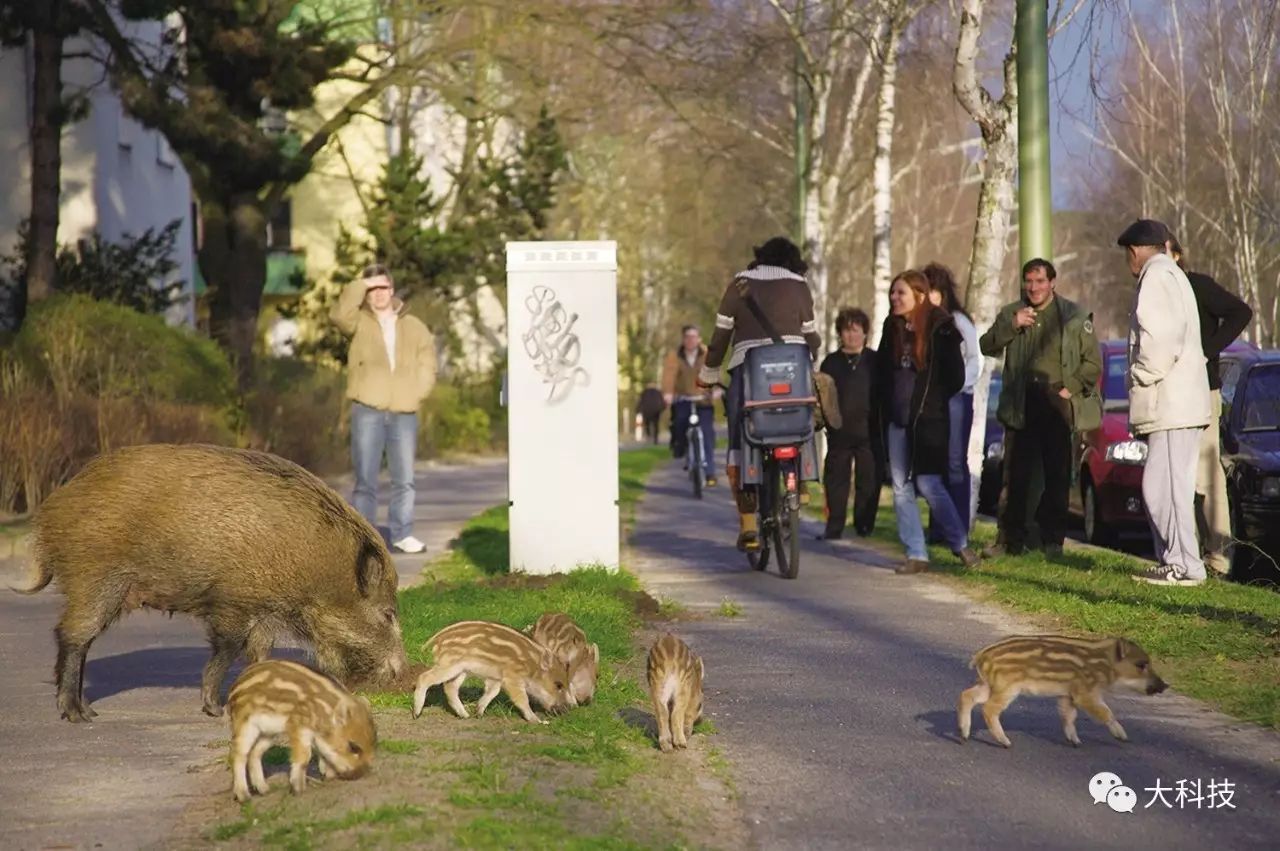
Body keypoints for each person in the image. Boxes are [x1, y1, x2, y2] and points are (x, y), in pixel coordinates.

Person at [699, 236, 821, 551]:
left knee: (740, 435)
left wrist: (709, 373)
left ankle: (749, 526)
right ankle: (802, 478)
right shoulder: (799, 285)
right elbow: (811, 337)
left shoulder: (739, 284)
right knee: (802, 414)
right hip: (794, 371)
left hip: (748, 372)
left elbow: (721, 336)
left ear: (760, 258)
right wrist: (811, 355)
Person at [979, 258, 1101, 559]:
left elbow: (1092, 363)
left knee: (1057, 476)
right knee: (1015, 477)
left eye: (1040, 281)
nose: (1034, 287)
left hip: (1056, 401)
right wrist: (1012, 325)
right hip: (1021, 402)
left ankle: (1052, 542)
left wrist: (1068, 387)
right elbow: (986, 345)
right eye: (1029, 281)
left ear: (1052, 282)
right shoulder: (1013, 312)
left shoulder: (1073, 316)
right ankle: (1009, 542)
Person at [1117, 220, 1212, 586]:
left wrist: (1139, 376)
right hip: (1178, 402)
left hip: (1171, 403)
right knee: (1163, 486)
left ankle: (1186, 566)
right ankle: (1176, 561)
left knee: (1167, 489)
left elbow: (1158, 341)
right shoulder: (1173, 275)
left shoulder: (1156, 277)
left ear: (1136, 250)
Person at [875, 270, 979, 574]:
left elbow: (956, 376)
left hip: (929, 419)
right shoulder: (891, 327)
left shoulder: (942, 326)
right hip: (897, 419)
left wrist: (932, 400)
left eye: (901, 293)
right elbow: (883, 370)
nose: (894, 298)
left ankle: (959, 543)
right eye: (893, 293)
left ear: (919, 295)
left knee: (929, 482)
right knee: (900, 486)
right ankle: (916, 553)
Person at [330, 263, 437, 554]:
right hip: (368, 409)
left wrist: (417, 392)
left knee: (405, 479)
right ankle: (365, 541)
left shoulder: (413, 326)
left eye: (383, 287)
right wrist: (359, 285)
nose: (378, 294)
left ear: (392, 289)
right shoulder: (358, 322)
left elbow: (428, 361)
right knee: (366, 480)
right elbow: (338, 317)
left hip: (404, 411)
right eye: (372, 289)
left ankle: (402, 533)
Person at [1166, 235, 1253, 575]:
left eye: (1164, 253)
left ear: (1177, 255)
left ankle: (1217, 557)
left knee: (1206, 474)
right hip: (1168, 395)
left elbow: (1241, 312)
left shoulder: (1196, 285)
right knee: (1173, 476)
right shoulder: (1154, 294)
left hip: (1202, 390)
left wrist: (1206, 351)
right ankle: (1182, 554)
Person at [923, 262, 982, 537]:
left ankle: (958, 528)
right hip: (933, 401)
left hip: (957, 398)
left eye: (934, 290)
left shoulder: (959, 321)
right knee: (935, 460)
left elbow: (974, 360)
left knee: (955, 461)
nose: (931, 297)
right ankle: (939, 526)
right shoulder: (923, 323)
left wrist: (958, 386)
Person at [818, 308, 882, 539]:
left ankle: (864, 526)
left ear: (865, 333)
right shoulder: (831, 363)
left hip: (869, 432)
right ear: (840, 333)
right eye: (847, 330)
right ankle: (834, 526)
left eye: (856, 330)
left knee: (868, 481)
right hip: (839, 432)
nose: (852, 335)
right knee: (836, 482)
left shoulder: (875, 361)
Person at [662, 325, 718, 486]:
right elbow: (669, 375)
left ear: (699, 339)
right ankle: (681, 447)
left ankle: (710, 472)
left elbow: (714, 372)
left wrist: (715, 390)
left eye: (694, 336)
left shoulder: (707, 354)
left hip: (703, 400)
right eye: (687, 337)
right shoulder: (675, 355)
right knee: (679, 423)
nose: (691, 340)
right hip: (683, 399)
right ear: (683, 339)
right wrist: (668, 393)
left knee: (707, 433)